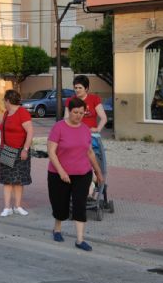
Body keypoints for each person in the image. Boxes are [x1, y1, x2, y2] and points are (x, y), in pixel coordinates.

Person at [47, 97, 104, 252]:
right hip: (58, 174)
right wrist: (61, 172)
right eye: (75, 112)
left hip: (82, 173)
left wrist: (98, 172)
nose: (78, 115)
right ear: (69, 111)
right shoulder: (58, 128)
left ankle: (80, 240)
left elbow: (90, 152)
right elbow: (51, 152)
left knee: (80, 206)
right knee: (61, 206)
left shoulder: (85, 129)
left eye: (81, 112)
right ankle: (57, 229)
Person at [0, 89, 34, 217]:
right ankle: (7, 207)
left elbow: (30, 132)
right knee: (7, 180)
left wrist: (25, 149)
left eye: (4, 100)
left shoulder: (22, 113)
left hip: (20, 151)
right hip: (7, 150)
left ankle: (18, 206)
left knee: (18, 181)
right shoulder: (6, 113)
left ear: (8, 100)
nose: (3, 102)